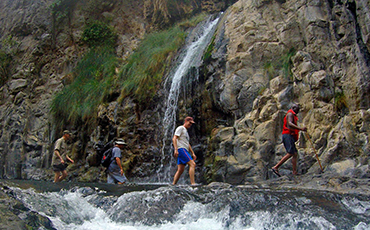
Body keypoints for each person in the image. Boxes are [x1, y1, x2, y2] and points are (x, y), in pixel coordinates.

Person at [272, 104, 307, 177]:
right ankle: (276, 167)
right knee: (291, 153)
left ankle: (294, 172)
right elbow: (290, 123)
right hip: (287, 135)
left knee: (295, 153)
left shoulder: (292, 114)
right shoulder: (290, 114)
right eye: (297, 109)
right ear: (293, 108)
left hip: (289, 135)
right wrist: (300, 129)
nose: (298, 111)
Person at [172, 116, 197, 185]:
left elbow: (187, 144)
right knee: (192, 164)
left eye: (191, 123)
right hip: (181, 149)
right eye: (189, 123)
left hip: (183, 149)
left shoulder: (185, 132)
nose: (190, 124)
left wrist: (193, 153)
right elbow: (174, 138)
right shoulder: (181, 128)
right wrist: (176, 149)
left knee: (180, 170)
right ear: (185, 121)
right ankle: (193, 184)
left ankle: (173, 184)